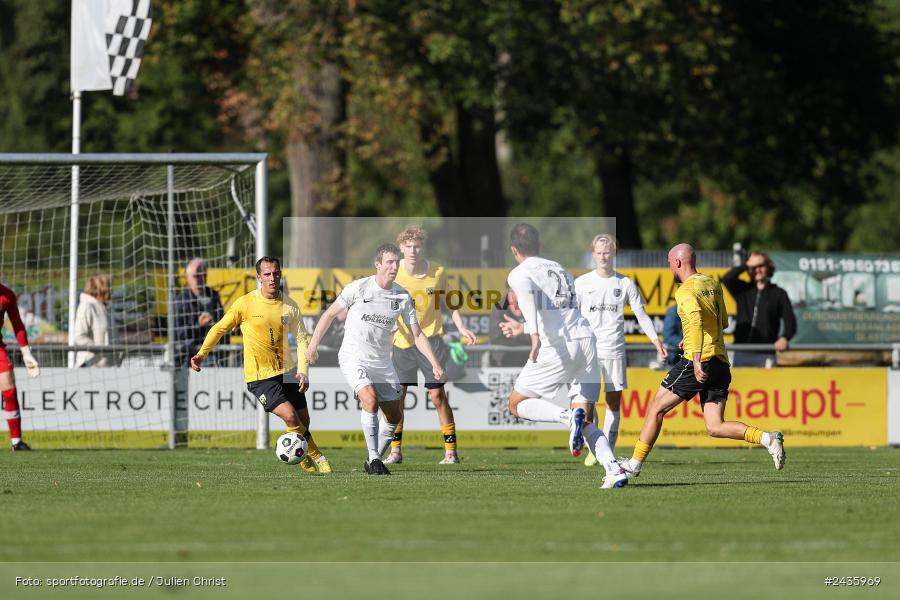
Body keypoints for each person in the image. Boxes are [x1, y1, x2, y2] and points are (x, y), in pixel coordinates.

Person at [620, 244, 786, 481]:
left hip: (700, 360)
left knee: (656, 408)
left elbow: (697, 321)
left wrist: (696, 360)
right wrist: (689, 340)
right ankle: (768, 439)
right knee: (715, 426)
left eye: (669, 263)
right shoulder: (712, 283)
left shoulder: (685, 291)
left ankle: (634, 465)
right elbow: (723, 322)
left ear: (677, 263)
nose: (669, 268)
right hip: (720, 361)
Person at [504, 223, 627, 489]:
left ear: (514, 250)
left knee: (516, 404)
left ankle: (566, 418)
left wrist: (533, 335)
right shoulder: (559, 268)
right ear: (541, 246)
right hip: (587, 343)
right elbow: (562, 313)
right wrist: (525, 328)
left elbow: (526, 302)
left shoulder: (519, 272)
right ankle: (614, 469)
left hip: (559, 347)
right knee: (587, 419)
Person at [306, 244, 444, 476]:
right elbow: (329, 314)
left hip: (382, 363)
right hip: (354, 357)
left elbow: (417, 334)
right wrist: (312, 345)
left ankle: (374, 459)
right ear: (378, 264)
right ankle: (375, 459)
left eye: (396, 262)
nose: (394, 266)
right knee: (369, 400)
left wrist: (434, 362)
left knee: (394, 415)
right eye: (389, 261)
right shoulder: (359, 288)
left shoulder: (401, 295)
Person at [191, 257, 331, 474]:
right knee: (291, 417)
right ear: (259, 278)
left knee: (304, 420)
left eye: (275, 273)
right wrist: (202, 354)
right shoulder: (245, 303)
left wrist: (303, 371)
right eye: (267, 274)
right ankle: (318, 457)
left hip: (288, 371)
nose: (272, 278)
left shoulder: (290, 306)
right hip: (260, 377)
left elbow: (302, 340)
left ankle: (300, 455)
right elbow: (219, 328)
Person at [386, 225, 477, 465]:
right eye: (408, 246)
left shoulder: (437, 271)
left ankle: (451, 452)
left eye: (417, 246)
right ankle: (395, 451)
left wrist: (461, 328)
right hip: (403, 343)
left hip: (432, 341)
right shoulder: (395, 273)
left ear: (422, 246)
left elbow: (451, 303)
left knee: (438, 396)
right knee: (398, 398)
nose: (413, 250)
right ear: (402, 248)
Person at [575, 234, 666, 467]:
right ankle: (593, 446)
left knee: (613, 403)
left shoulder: (624, 283)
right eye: (599, 252)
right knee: (587, 405)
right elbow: (571, 317)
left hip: (614, 351)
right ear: (593, 254)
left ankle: (607, 450)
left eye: (608, 252)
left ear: (614, 254)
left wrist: (655, 341)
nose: (604, 256)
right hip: (588, 352)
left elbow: (641, 315)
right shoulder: (582, 283)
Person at [721, 251, 796, 367]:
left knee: (768, 385)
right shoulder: (743, 289)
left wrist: (785, 338)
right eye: (754, 267)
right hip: (741, 352)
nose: (758, 270)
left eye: (761, 266)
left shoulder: (779, 293)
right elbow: (726, 279)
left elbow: (790, 321)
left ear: (768, 267)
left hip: (766, 354)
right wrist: (747, 264)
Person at [0, 283, 40, 450]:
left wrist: (26, 353)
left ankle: (16, 441)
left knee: (9, 390)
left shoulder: (6, 295)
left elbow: (17, 325)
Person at [175, 259, 228, 367]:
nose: (201, 279)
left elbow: (223, 325)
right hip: (188, 357)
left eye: (203, 275)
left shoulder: (213, 296)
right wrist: (198, 325)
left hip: (213, 355)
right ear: (188, 278)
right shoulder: (180, 300)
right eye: (196, 276)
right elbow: (176, 333)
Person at [74, 274, 113, 368]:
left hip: (106, 368)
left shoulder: (104, 308)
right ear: (100, 289)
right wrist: (98, 348)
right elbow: (79, 337)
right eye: (108, 286)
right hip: (89, 367)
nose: (110, 291)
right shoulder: (87, 306)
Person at [489, 289, 530, 366]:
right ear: (509, 291)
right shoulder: (499, 307)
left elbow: (538, 334)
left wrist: (519, 332)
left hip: (529, 359)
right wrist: (522, 336)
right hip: (503, 360)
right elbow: (496, 337)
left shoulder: (532, 306)